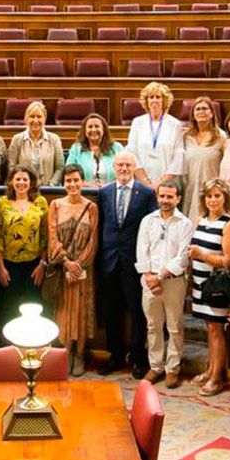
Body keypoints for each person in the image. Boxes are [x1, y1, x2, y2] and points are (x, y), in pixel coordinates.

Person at [96, 152, 157, 379]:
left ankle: (138, 358)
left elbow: (151, 227)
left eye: (128, 164)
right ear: (114, 166)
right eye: (120, 164)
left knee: (136, 310)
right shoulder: (104, 192)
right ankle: (115, 355)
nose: (123, 168)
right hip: (109, 260)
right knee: (112, 311)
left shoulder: (146, 193)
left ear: (134, 167)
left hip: (134, 261)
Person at [135, 179, 194, 389]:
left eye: (170, 196)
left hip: (173, 282)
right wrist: (150, 277)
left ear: (178, 198)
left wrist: (160, 277)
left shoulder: (185, 224)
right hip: (149, 282)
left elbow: (182, 258)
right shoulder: (147, 221)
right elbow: (142, 251)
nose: (165, 200)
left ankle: (172, 368)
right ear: (157, 197)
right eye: (162, 196)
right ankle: (156, 365)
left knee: (175, 326)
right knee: (152, 326)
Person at [47, 164, 99, 375]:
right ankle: (66, 351)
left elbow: (93, 240)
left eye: (76, 180)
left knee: (81, 310)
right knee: (64, 311)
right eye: (68, 181)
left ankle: (80, 353)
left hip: (83, 270)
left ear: (83, 181)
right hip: (63, 269)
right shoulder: (56, 205)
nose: (72, 184)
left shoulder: (91, 207)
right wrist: (66, 262)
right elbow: (52, 237)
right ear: (63, 183)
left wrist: (79, 264)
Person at [189, 178, 230, 396]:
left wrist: (203, 256)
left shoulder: (229, 224)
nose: (213, 200)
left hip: (217, 285)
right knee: (209, 328)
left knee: (217, 330)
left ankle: (218, 377)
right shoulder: (201, 219)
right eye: (209, 196)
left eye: (217, 195)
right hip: (200, 282)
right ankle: (210, 369)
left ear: (225, 198)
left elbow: (229, 261)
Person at [0, 165, 49, 331]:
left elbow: (46, 236)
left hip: (34, 265)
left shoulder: (40, 202)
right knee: (8, 309)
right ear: (11, 182)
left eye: (25, 179)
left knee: (33, 308)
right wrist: (1, 268)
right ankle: (7, 350)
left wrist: (42, 265)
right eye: (18, 179)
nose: (21, 182)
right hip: (8, 266)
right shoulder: (2, 203)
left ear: (31, 183)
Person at [126, 81, 185, 189]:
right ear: (146, 101)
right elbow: (132, 152)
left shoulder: (174, 124)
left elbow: (178, 156)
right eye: (151, 97)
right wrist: (145, 181)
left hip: (167, 184)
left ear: (164, 100)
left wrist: (161, 183)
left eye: (158, 97)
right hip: (141, 183)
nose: (154, 100)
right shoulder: (137, 122)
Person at [181, 96, 227, 221]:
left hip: (210, 192)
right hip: (189, 189)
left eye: (205, 109)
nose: (201, 112)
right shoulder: (185, 137)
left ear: (212, 113)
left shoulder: (221, 137)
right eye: (198, 109)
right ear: (193, 114)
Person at [8, 101, 65, 186]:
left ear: (44, 119)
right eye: (32, 116)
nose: (35, 120)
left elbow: (60, 167)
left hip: (48, 189)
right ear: (26, 119)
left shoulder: (54, 139)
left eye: (39, 117)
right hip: (23, 190)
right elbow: (11, 167)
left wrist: (52, 185)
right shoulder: (17, 140)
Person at [65, 112, 124, 186]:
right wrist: (87, 185)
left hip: (112, 192)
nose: (93, 130)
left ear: (104, 129)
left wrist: (108, 186)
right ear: (85, 131)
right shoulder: (76, 149)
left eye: (97, 126)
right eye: (90, 127)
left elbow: (125, 172)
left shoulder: (117, 148)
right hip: (84, 192)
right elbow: (69, 173)